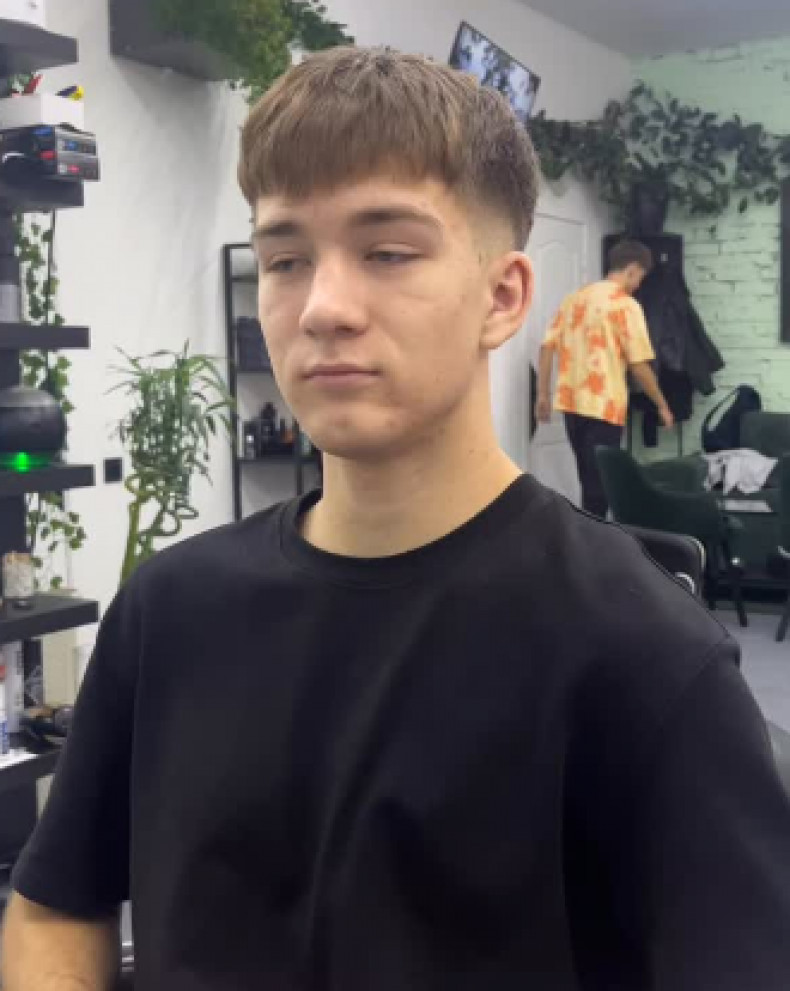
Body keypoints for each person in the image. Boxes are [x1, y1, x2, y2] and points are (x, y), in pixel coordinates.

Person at [4, 47, 790, 991]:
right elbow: (56, 904)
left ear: (503, 297)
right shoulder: (169, 609)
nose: (322, 308)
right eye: (286, 259)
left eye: (387, 252)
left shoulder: (645, 659)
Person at [536, 240, 674, 517]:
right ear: (632, 269)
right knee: (602, 486)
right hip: (604, 406)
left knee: (588, 481)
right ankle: (594, 538)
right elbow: (639, 366)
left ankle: (588, 534)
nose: (639, 285)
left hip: (571, 404)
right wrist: (661, 404)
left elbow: (547, 347)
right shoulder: (626, 306)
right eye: (640, 277)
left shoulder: (574, 299)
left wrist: (542, 394)